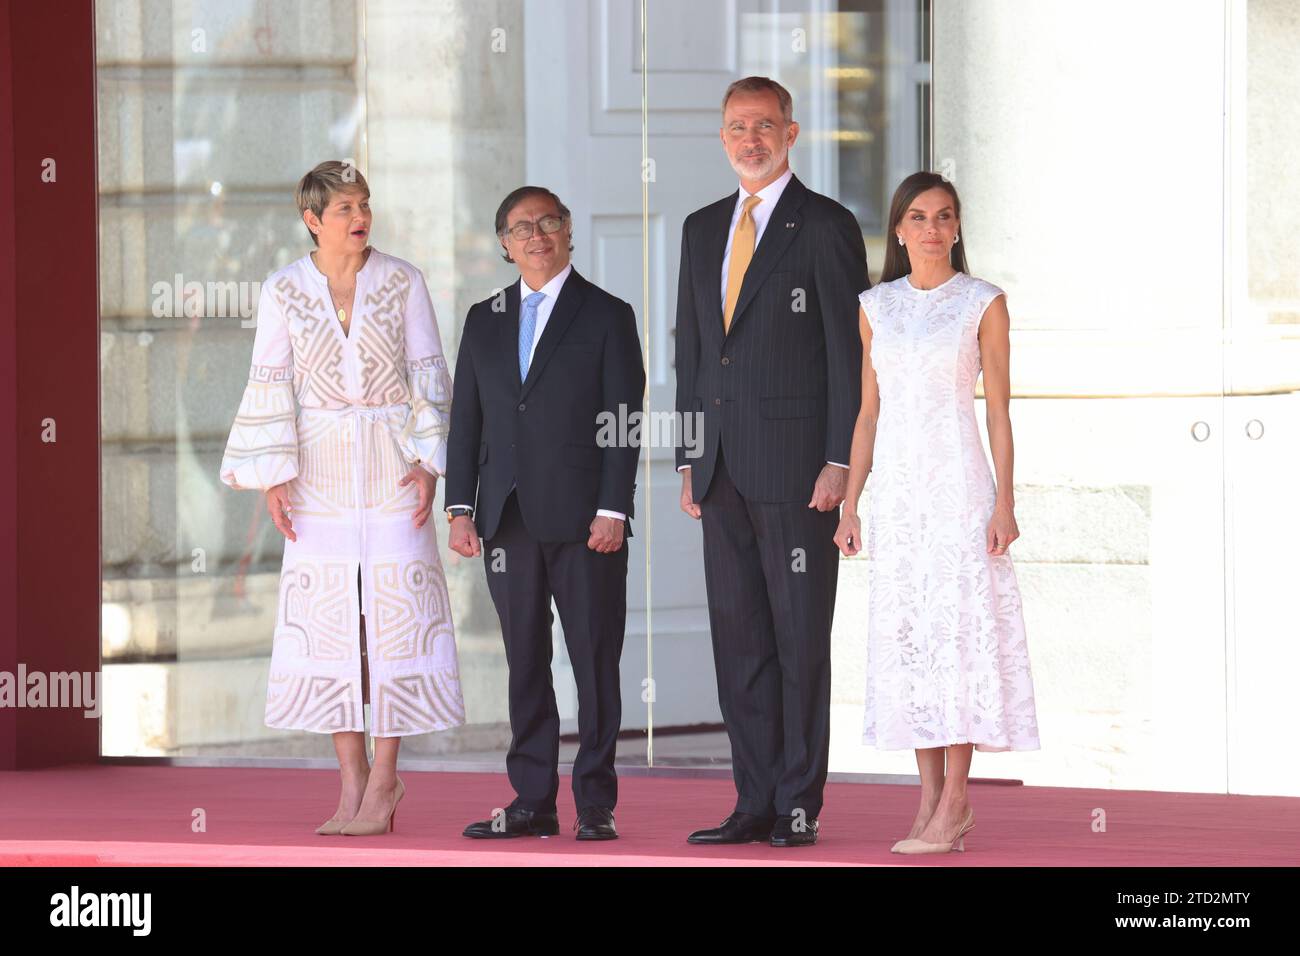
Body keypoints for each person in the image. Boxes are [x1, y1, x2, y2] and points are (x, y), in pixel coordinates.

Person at [219, 160, 465, 836]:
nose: (361, 217)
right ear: (312, 219)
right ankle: (349, 778)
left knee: (394, 614)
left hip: (392, 465)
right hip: (317, 472)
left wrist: (429, 466)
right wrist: (274, 476)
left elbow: (428, 374)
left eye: (365, 204)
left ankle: (386, 779)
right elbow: (268, 380)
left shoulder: (403, 280)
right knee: (333, 621)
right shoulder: (283, 289)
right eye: (345, 208)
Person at [675, 76, 868, 847]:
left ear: (791, 132)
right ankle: (752, 799)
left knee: (797, 642)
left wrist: (839, 461)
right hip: (719, 469)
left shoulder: (824, 225)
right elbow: (691, 349)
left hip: (799, 473)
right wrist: (691, 453)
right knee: (741, 642)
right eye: (734, 127)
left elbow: (849, 356)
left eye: (762, 125)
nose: (748, 139)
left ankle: (796, 803)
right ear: (722, 138)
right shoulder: (698, 228)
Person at [835, 170, 1041, 855]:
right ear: (898, 228)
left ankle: (957, 799)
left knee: (957, 634)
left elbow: (1001, 412)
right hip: (897, 493)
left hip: (958, 485)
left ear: (957, 228)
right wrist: (852, 502)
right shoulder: (875, 305)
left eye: (944, 216)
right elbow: (868, 412)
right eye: (919, 216)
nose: (932, 228)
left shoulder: (984, 302)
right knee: (912, 638)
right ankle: (927, 798)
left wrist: (1004, 500)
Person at [446, 186, 645, 841]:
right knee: (524, 661)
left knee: (593, 662)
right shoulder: (484, 318)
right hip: (505, 519)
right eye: (521, 227)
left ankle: (595, 803)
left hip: (588, 522)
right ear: (504, 243)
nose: (536, 235)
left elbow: (622, 421)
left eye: (548, 223)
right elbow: (466, 420)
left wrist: (614, 507)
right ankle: (531, 800)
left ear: (568, 233)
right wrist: (460, 507)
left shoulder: (607, 315)